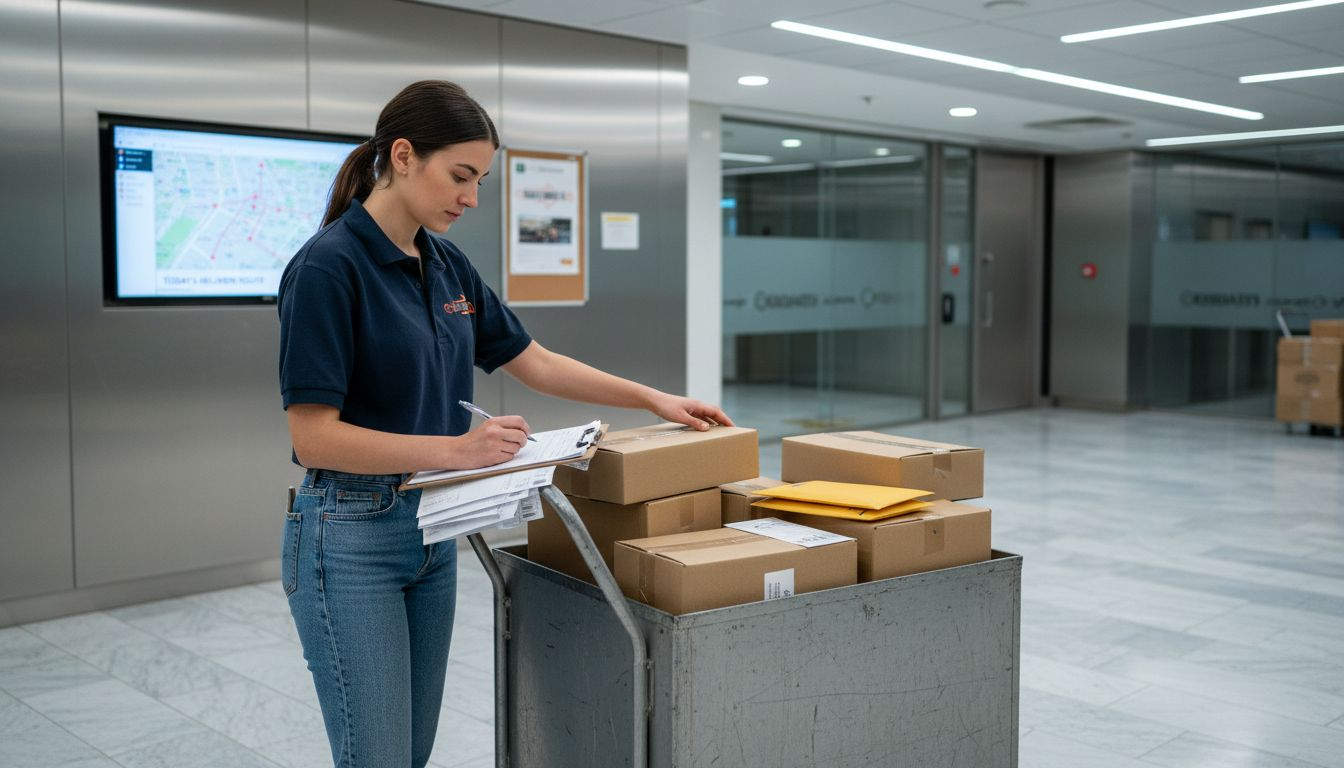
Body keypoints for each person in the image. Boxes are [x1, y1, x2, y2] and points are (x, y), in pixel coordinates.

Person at [277, 80, 732, 767]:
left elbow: (535, 361)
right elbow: (313, 436)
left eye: (480, 181)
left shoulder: (445, 264)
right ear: (403, 156)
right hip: (348, 536)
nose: (471, 198)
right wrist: (458, 451)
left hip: (431, 529)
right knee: (378, 756)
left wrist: (654, 398)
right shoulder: (327, 268)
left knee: (411, 752)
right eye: (461, 176)